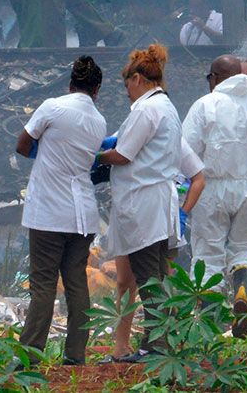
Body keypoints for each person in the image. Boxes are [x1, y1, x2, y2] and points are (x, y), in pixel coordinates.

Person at [181, 55, 247, 337]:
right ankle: (242, 286)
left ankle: (209, 323)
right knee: (245, 249)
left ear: (215, 78)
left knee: (208, 253)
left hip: (211, 188)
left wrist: (181, 193)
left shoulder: (206, 105)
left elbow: (184, 150)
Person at [15, 56, 106, 365]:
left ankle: (30, 356)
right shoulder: (99, 121)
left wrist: (45, 151)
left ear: (70, 84)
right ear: (96, 90)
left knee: (42, 284)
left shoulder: (52, 107)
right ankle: (76, 355)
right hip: (83, 214)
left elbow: (22, 145)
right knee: (76, 282)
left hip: (49, 213)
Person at [96, 44, 183, 361]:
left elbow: (123, 154)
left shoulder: (147, 109)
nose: (126, 92)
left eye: (126, 84)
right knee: (156, 275)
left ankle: (155, 345)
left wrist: (94, 156)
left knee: (148, 278)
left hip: (143, 202)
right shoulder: (165, 106)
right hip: (155, 200)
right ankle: (160, 341)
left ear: (137, 78)